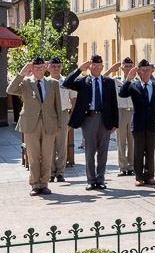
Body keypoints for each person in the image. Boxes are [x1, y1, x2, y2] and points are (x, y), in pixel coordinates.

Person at [7, 58, 63, 196]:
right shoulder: (26, 82)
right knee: (33, 156)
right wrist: (21, 74)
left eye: (41, 67)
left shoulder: (53, 83)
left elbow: (58, 105)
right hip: (31, 123)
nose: (38, 70)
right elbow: (10, 90)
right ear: (32, 69)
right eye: (36, 68)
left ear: (45, 68)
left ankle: (44, 184)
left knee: (47, 155)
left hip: (49, 122)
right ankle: (35, 184)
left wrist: (59, 124)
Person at [64, 55, 119, 190]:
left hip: (105, 118)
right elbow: (67, 83)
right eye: (93, 65)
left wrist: (115, 123)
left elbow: (114, 103)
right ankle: (90, 179)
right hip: (89, 118)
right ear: (89, 67)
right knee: (90, 151)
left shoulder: (108, 82)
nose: (96, 68)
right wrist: (79, 69)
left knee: (103, 151)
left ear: (102, 67)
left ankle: (100, 179)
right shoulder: (83, 81)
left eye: (98, 66)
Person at [118, 59, 155, 186]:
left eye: (147, 70)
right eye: (142, 70)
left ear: (151, 71)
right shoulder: (133, 85)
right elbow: (122, 94)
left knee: (150, 151)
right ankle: (139, 177)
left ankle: (150, 176)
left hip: (152, 122)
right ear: (138, 71)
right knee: (138, 151)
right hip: (138, 123)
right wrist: (128, 79)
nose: (145, 73)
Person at [47, 57, 76, 183]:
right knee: (49, 144)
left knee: (62, 144)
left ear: (61, 68)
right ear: (48, 68)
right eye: (53, 66)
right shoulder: (45, 82)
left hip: (64, 114)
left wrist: (72, 118)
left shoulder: (67, 82)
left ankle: (60, 173)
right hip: (49, 115)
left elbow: (73, 101)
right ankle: (51, 172)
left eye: (58, 66)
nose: (56, 69)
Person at [105, 58, 136, 177]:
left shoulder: (136, 81)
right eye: (126, 66)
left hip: (133, 111)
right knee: (121, 141)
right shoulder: (116, 80)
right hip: (120, 111)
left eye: (130, 66)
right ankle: (123, 167)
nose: (128, 69)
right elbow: (101, 79)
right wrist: (110, 70)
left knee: (132, 141)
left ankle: (131, 166)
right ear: (122, 68)